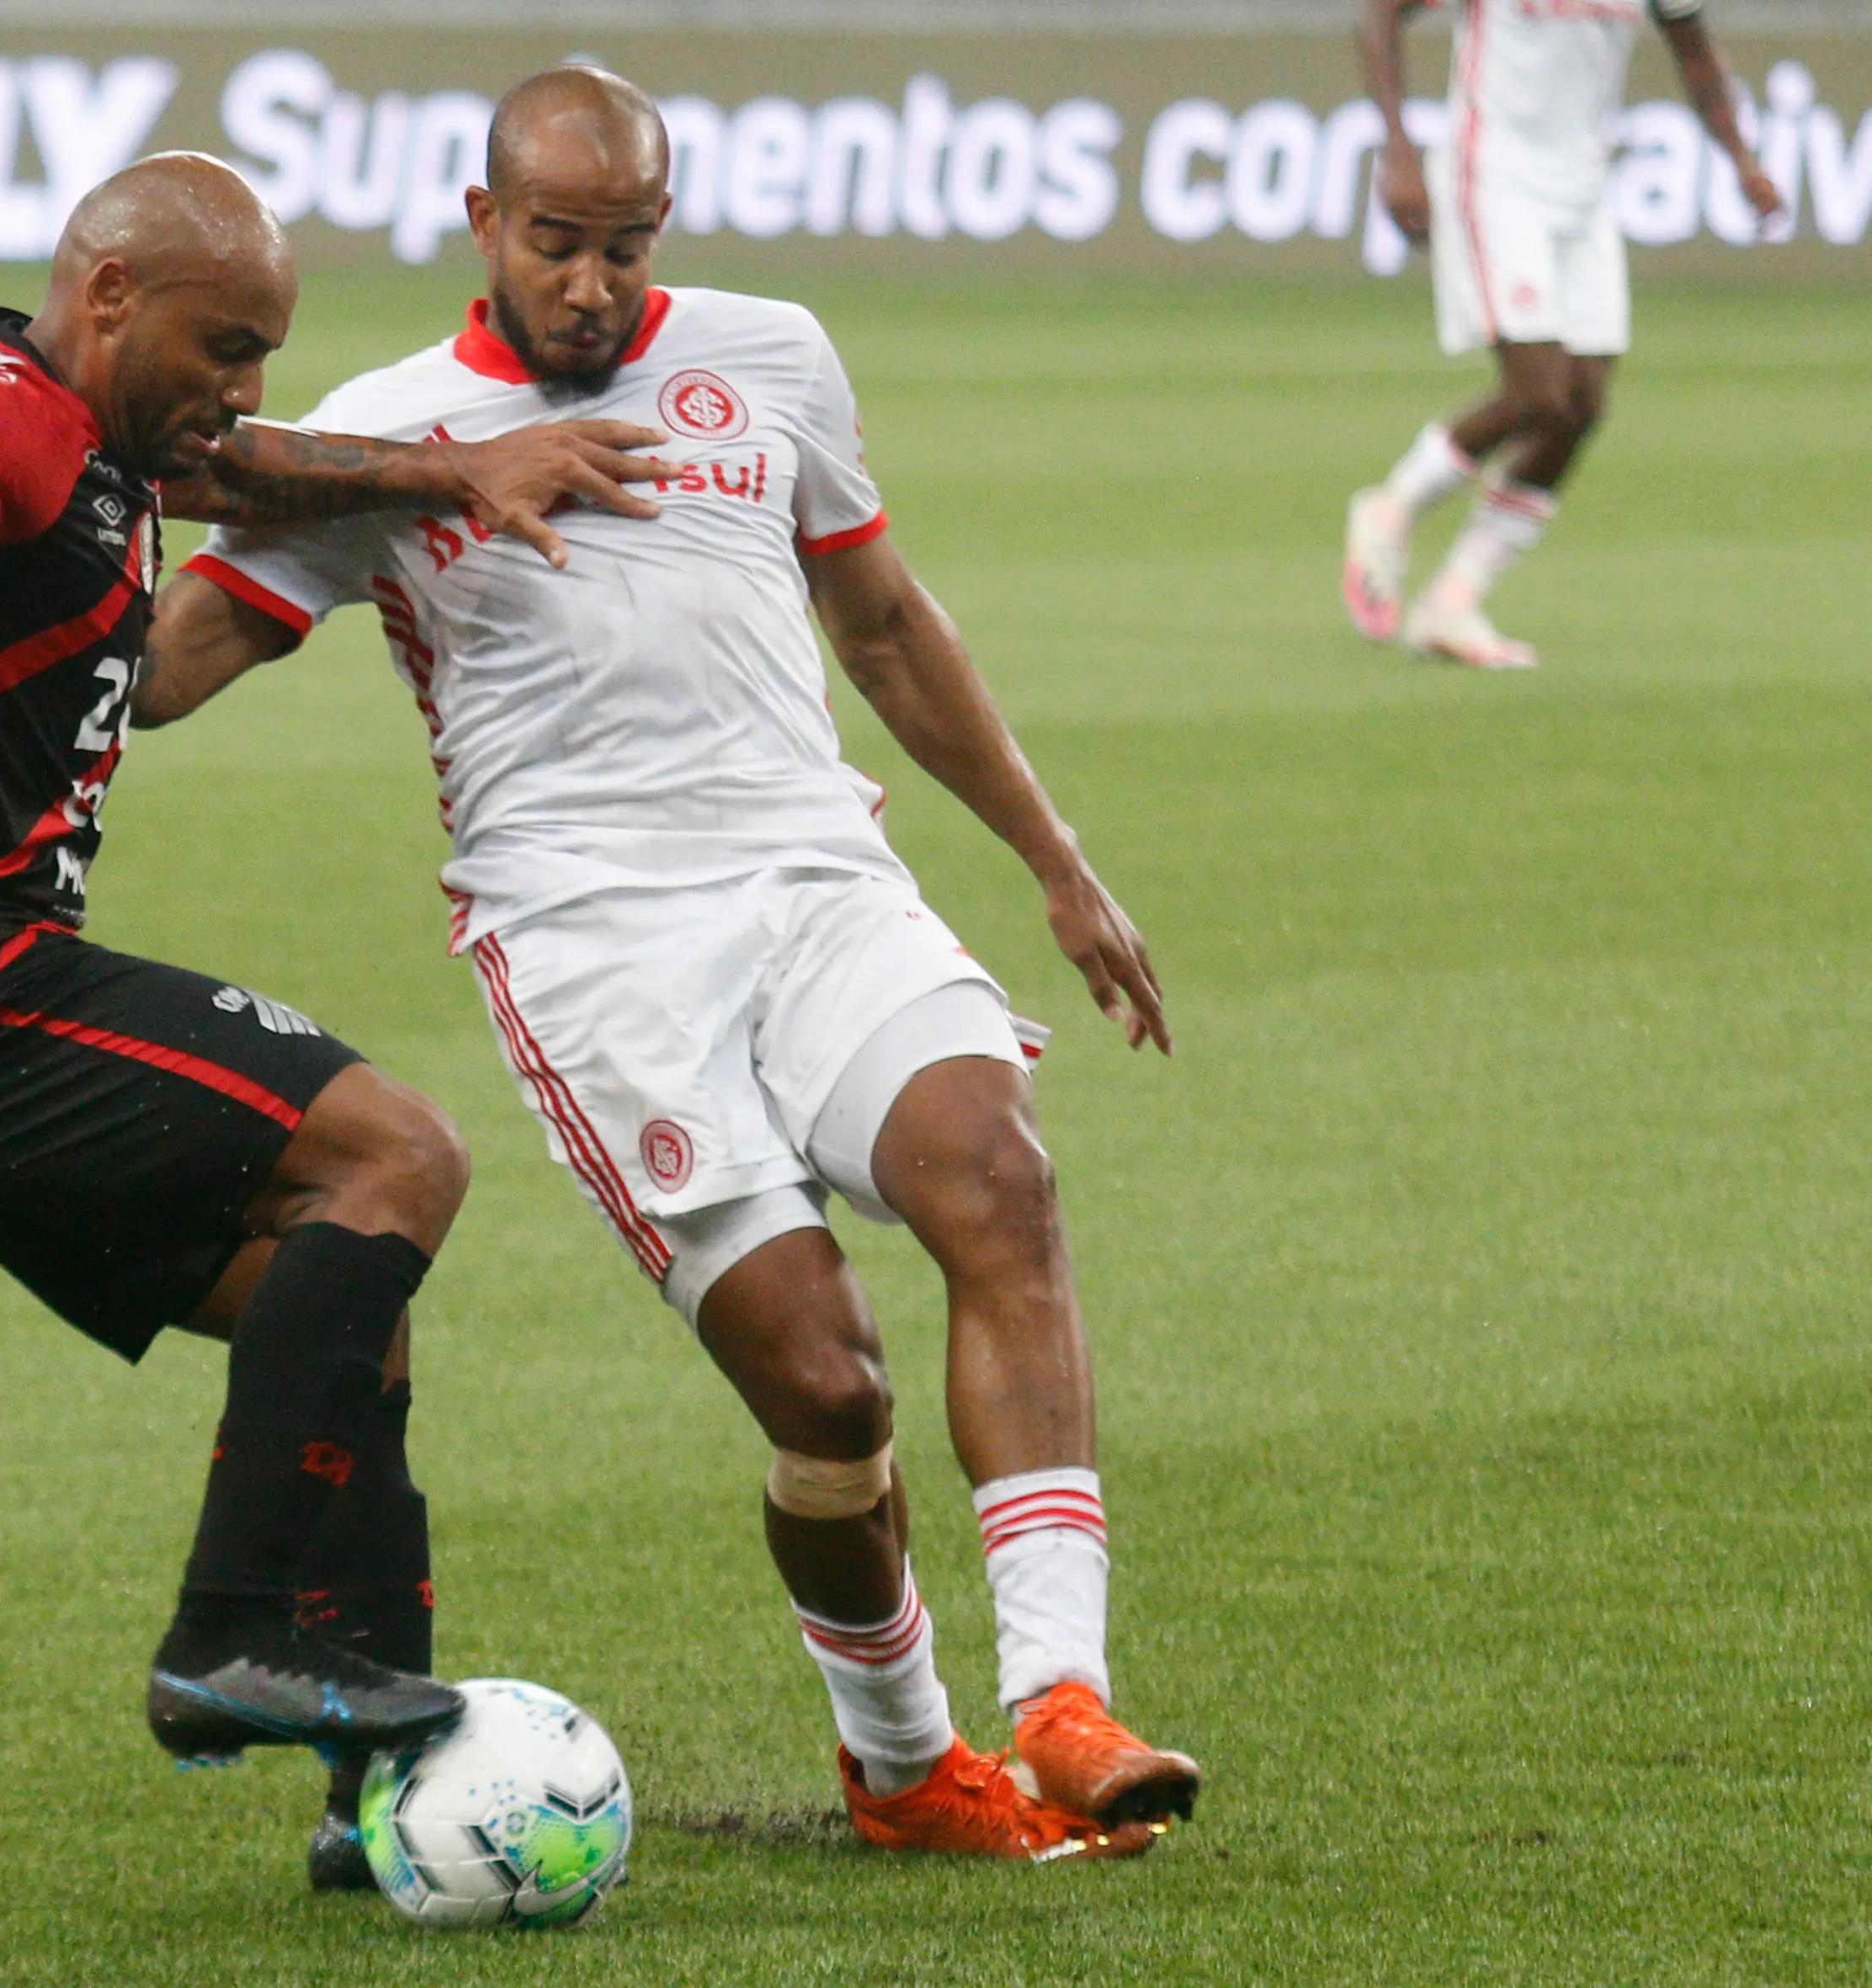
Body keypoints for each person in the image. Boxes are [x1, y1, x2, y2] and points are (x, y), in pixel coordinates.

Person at [140, 68, 1197, 1865]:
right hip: (592, 944)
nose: (591, 288)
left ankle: (1062, 1701)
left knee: (999, 1179)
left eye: (625, 248)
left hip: (814, 876)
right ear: (483, 224)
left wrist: (1055, 859)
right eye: (555, 245)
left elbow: (880, 616)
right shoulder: (390, 433)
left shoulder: (770, 356)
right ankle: (899, 1759)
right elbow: (171, 663)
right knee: (829, 1385)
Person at [0, 151, 673, 1887]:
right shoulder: (8, 414)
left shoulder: (106, 439)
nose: (242, 389)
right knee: (398, 1153)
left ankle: (366, 1782)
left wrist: (445, 470)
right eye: (224, 344)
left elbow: (240, 481)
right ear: (107, 301)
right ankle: (229, 1639)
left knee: (336, 1296)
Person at [1343, 0, 1782, 668]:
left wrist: (1742, 161)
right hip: (1491, 174)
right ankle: (1391, 509)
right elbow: (1380, 14)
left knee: (1582, 407)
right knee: (1540, 397)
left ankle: (1453, 601)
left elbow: (1694, 54)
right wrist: (1396, 151)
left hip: (1583, 187)